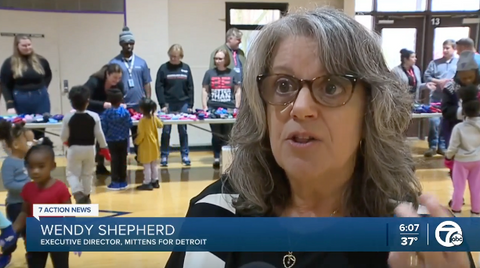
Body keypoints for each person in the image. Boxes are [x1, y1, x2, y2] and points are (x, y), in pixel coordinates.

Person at [166, 7, 475, 268]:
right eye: (284, 85)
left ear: (371, 110)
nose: (300, 108)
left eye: (331, 87)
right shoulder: (217, 211)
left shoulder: (419, 233)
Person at [11, 138, 73, 268]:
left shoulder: (60, 188)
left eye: (41, 166)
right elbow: (24, 212)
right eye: (31, 167)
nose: (35, 171)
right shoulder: (28, 188)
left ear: (53, 166)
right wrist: (12, 231)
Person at [61, 86, 111, 204]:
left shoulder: (68, 117)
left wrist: (66, 142)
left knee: (72, 173)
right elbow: (100, 135)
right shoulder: (94, 116)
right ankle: (87, 195)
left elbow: (63, 136)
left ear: (71, 102)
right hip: (90, 149)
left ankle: (77, 192)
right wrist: (104, 148)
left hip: (74, 149)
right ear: (87, 102)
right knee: (87, 174)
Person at [110, 26, 152, 158]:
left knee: (139, 134)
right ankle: (121, 157)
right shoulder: (114, 63)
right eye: (126, 43)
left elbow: (147, 82)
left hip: (139, 106)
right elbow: (111, 85)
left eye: (131, 43)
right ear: (121, 44)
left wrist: (148, 101)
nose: (129, 45)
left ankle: (140, 156)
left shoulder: (141, 62)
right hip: (122, 107)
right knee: (121, 135)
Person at [0, 35, 52, 140]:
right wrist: (10, 104)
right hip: (21, 99)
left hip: (40, 99)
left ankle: (39, 153)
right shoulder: (9, 63)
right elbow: (4, 85)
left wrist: (44, 88)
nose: (27, 47)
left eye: (29, 45)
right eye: (24, 45)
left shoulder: (41, 60)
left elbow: (48, 75)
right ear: (17, 46)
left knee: (39, 130)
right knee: (22, 132)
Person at [202, 48, 241, 168]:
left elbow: (238, 91)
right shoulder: (209, 73)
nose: (217, 61)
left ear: (226, 60)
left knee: (228, 135)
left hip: (229, 108)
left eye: (220, 58)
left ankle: (227, 158)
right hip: (213, 107)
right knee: (216, 134)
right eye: (215, 58)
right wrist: (204, 107)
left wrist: (237, 107)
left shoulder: (233, 73)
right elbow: (205, 90)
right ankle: (216, 157)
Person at [445, 84, 480, 217]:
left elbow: (453, 146)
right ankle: (476, 212)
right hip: (477, 160)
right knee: (477, 188)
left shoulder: (459, 128)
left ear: (463, 112)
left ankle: (456, 211)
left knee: (459, 188)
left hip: (461, 161)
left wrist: (448, 157)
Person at [156, 44, 194, 167]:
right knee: (166, 131)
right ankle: (164, 156)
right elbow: (159, 87)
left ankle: (185, 155)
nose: (173, 59)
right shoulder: (163, 68)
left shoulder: (186, 68)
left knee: (183, 130)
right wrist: (162, 104)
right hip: (168, 104)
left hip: (183, 103)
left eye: (176, 57)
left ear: (180, 56)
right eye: (171, 56)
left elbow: (190, 87)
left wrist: (190, 104)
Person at [84, 63, 124, 175]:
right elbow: (85, 99)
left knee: (104, 139)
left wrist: (121, 104)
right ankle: (92, 163)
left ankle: (101, 164)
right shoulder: (94, 81)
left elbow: (121, 98)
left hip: (107, 114)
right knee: (93, 138)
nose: (117, 80)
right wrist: (103, 104)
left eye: (119, 78)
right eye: (114, 77)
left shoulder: (119, 85)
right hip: (92, 111)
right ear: (107, 74)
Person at [0, 120, 30, 267]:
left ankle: (31, 254)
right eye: (25, 140)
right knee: (13, 235)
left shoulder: (28, 160)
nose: (28, 143)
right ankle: (5, 254)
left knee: (30, 233)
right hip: (15, 205)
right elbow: (9, 184)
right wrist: (27, 185)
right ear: (16, 145)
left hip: (30, 205)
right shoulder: (9, 163)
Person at [423, 39, 458, 157]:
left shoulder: (458, 63)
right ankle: (432, 146)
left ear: (454, 49)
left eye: (447, 48)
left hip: (451, 99)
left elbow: (461, 78)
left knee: (446, 122)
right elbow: (427, 76)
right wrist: (439, 81)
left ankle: (442, 147)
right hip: (436, 98)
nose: (445, 50)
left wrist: (450, 83)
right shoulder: (434, 63)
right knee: (433, 121)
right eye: (444, 48)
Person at [101, 89, 132, 191]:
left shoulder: (106, 113)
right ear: (121, 100)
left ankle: (115, 181)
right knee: (123, 160)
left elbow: (103, 127)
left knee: (114, 160)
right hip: (123, 139)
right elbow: (130, 124)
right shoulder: (125, 112)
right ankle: (123, 180)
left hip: (111, 140)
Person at [135, 98, 164, 190]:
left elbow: (141, 135)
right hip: (154, 144)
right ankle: (155, 181)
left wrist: (136, 141)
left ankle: (147, 182)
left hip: (145, 146)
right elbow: (161, 125)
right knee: (154, 164)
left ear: (142, 109)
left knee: (146, 165)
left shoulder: (142, 121)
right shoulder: (154, 118)